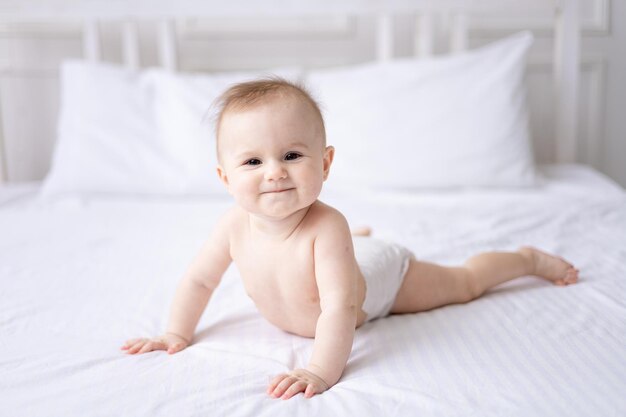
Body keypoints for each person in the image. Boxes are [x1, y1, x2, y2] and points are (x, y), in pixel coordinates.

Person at [121, 77, 579, 400]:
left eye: (292, 154)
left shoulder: (327, 226)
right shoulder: (231, 225)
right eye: (252, 162)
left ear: (325, 163)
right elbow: (200, 281)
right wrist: (175, 332)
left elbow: (339, 309)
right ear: (225, 178)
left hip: (377, 281)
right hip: (345, 256)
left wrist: (321, 369)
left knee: (461, 284)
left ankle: (526, 261)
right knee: (342, 256)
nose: (275, 171)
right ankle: (361, 243)